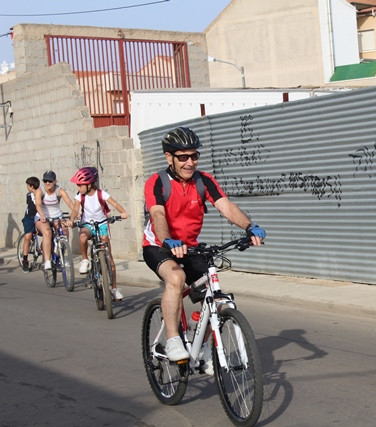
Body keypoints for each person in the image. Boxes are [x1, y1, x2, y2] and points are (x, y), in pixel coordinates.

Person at [143, 126, 266, 362]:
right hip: (159, 246)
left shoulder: (204, 181)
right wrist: (167, 239)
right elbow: (158, 214)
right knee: (176, 278)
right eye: (183, 157)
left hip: (190, 247)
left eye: (194, 156)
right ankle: (172, 340)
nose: (190, 163)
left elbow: (226, 206)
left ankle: (204, 346)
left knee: (216, 299)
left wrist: (249, 226)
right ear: (169, 157)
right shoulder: (156, 182)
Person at [67, 167, 129, 301]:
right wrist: (71, 220)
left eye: (80, 185)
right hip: (87, 224)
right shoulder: (79, 196)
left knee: (108, 255)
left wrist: (123, 212)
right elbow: (75, 209)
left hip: (101, 224)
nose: (78, 187)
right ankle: (85, 260)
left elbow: (115, 203)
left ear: (89, 184)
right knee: (83, 237)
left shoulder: (101, 194)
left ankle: (114, 289)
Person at [35, 170, 75, 270]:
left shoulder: (59, 191)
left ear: (54, 181)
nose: (47, 183)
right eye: (45, 181)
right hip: (42, 217)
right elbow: (38, 205)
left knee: (64, 231)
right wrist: (42, 215)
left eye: (50, 181)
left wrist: (76, 214)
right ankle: (47, 260)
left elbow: (70, 204)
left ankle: (61, 256)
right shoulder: (40, 191)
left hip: (57, 216)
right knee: (47, 233)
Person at [20, 176, 40, 272]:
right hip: (29, 217)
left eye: (28, 185)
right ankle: (25, 260)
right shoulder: (29, 195)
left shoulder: (40, 194)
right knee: (28, 236)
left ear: (31, 186)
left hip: (39, 217)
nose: (27, 187)